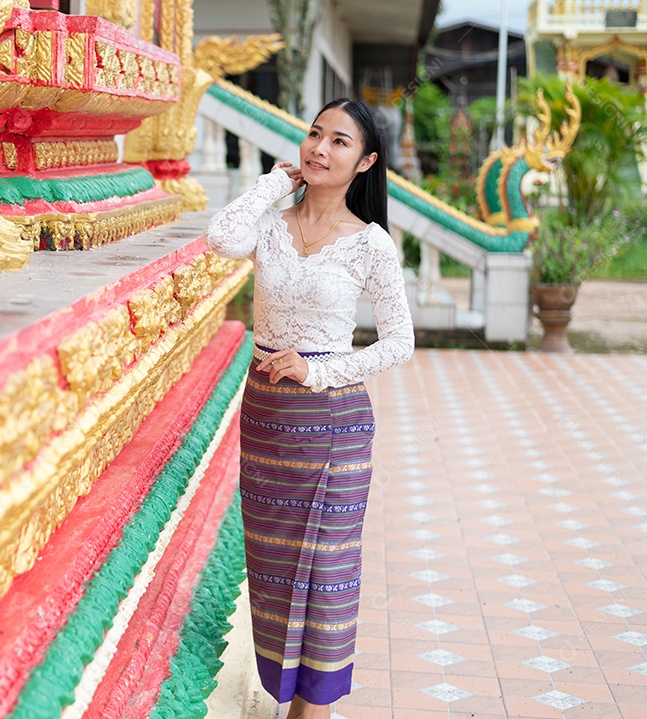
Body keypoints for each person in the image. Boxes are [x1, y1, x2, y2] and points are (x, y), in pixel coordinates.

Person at [204, 98, 414, 719]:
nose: (320, 149)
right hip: (267, 415)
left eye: (340, 142)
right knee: (270, 562)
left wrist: (318, 370)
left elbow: (399, 342)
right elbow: (220, 237)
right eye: (314, 135)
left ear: (366, 162)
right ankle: (287, 696)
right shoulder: (271, 226)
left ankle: (313, 710)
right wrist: (274, 182)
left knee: (325, 569)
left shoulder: (370, 244)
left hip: (332, 422)